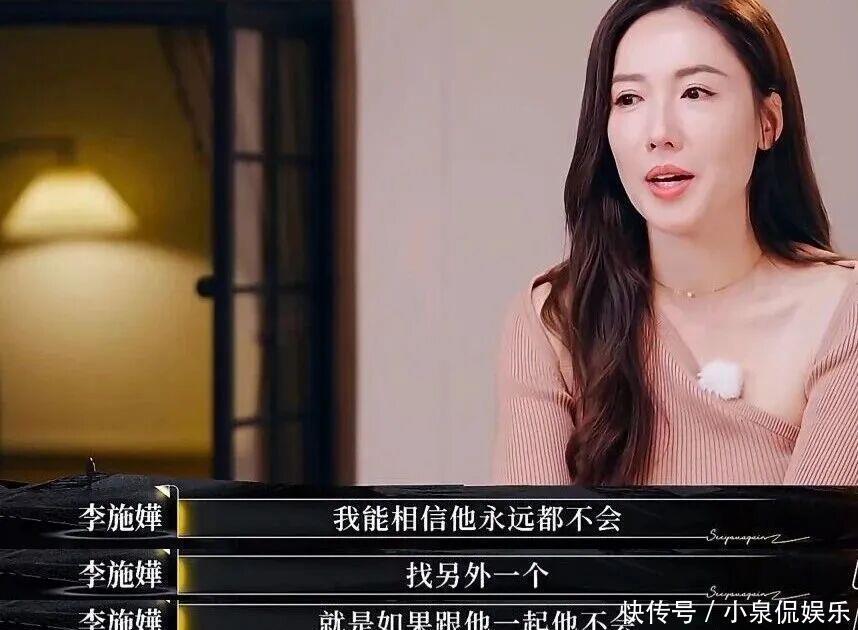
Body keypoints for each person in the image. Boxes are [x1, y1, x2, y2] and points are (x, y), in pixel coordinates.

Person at [491, 0, 858, 486]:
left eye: (695, 92)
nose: (659, 133)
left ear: (768, 122)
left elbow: (814, 539)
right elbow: (533, 534)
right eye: (628, 99)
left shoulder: (842, 313)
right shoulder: (556, 319)